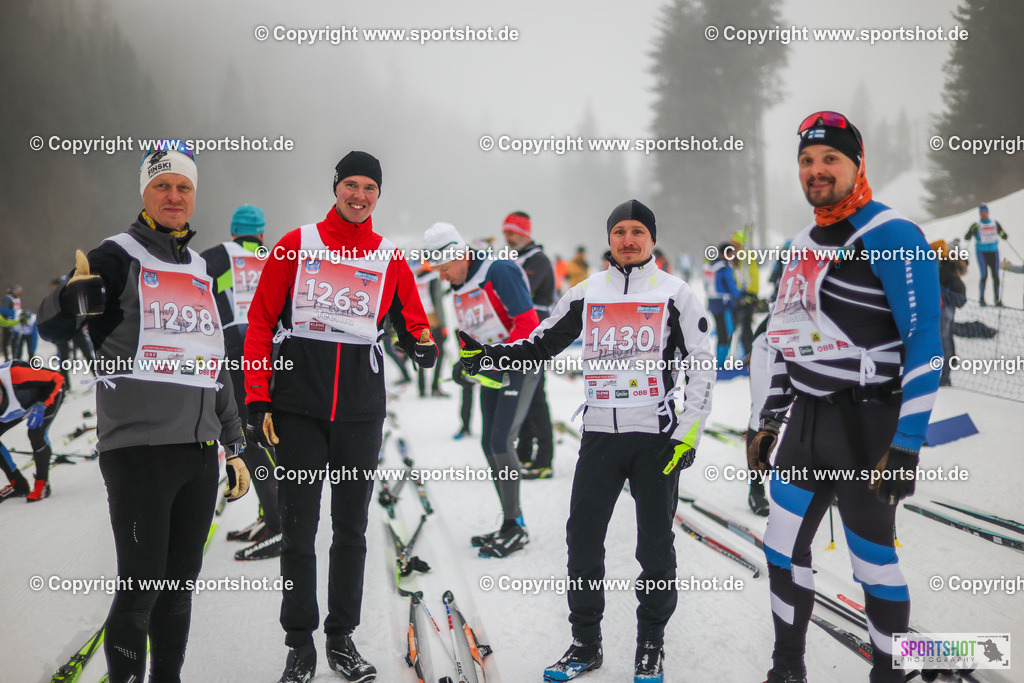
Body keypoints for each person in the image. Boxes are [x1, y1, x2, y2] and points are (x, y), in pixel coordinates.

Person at [460, 199, 715, 683]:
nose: (628, 240)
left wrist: (688, 431)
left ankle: (650, 644)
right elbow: (542, 342)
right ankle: (584, 643)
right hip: (600, 437)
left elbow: (702, 364)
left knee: (654, 547)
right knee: (582, 540)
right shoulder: (587, 292)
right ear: (609, 238)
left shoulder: (676, 294)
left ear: (652, 238)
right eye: (619, 231)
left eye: (637, 231)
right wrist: (490, 357)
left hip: (656, 440)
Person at [37, 140, 250, 683]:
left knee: (178, 591)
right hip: (139, 454)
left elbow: (214, 361)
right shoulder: (116, 255)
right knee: (140, 590)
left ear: (194, 195)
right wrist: (70, 300)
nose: (174, 196)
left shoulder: (200, 267)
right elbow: (51, 323)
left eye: (183, 186)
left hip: (199, 454)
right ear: (145, 192)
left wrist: (233, 443)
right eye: (162, 185)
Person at [749, 112, 941, 683]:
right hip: (807, 426)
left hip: (868, 427)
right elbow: (784, 338)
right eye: (807, 160)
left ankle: (890, 672)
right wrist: (767, 421)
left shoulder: (893, 234)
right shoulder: (799, 244)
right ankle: (788, 667)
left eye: (830, 158)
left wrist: (907, 444)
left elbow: (925, 344)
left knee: (872, 563)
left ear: (857, 164)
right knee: (781, 550)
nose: (817, 170)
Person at [243, 151, 437, 683]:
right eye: (351, 184)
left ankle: (341, 638)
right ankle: (299, 644)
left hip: (359, 413)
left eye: (369, 187)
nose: (359, 195)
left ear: (378, 195)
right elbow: (260, 323)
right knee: (298, 530)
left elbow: (413, 321)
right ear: (335, 188)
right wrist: (257, 397)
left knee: (350, 530)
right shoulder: (297, 244)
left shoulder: (389, 256)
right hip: (297, 410)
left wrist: (422, 345)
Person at [423, 221, 539, 557]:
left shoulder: (498, 270)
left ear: (459, 255)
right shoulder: (460, 282)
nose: (442, 277)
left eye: (444, 268)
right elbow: (473, 328)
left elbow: (529, 324)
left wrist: (495, 357)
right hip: (491, 369)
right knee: (489, 444)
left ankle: (517, 526)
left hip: (519, 365)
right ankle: (510, 521)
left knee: (502, 441)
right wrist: (466, 362)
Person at [201, 204, 283, 561]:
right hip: (276, 355)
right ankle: (271, 517)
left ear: (234, 231)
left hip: (236, 354)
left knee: (246, 438)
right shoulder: (276, 256)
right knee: (270, 434)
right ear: (261, 233)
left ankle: (279, 524)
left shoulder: (215, 257)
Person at [502, 211, 556, 479]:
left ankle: (544, 458)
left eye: (512, 233)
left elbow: (520, 292)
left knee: (535, 398)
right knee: (519, 396)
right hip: (518, 336)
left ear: (525, 233)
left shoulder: (538, 259)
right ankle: (523, 453)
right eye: (506, 233)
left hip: (537, 337)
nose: (508, 238)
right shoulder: (516, 258)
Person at [0, 359, 65, 501]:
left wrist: (42, 404)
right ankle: (18, 484)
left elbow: (57, 378)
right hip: (19, 405)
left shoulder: (16, 374)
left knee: (35, 433)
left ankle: (42, 483)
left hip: (47, 395)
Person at [933, 240, 967, 387]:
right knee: (947, 336)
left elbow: (958, 288)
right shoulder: (943, 265)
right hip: (943, 307)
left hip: (945, 308)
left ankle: (945, 376)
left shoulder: (945, 267)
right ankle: (950, 363)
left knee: (944, 338)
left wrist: (948, 300)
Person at [414, 260, 448, 397]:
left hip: (420, 323)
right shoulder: (434, 278)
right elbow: (438, 302)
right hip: (434, 321)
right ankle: (435, 387)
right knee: (440, 353)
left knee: (422, 353)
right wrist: (443, 325)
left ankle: (422, 388)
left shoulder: (415, 278)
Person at [703, 243, 741, 365]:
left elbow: (706, 285)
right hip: (724, 304)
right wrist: (740, 295)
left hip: (712, 302)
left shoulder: (710, 265)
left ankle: (720, 359)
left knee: (720, 331)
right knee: (728, 332)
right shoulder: (724, 267)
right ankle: (721, 361)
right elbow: (731, 286)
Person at [964, 203, 1007, 306]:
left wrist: (1002, 234)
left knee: (995, 275)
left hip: (994, 252)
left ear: (988, 213)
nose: (984, 214)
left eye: (985, 212)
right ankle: (982, 298)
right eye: (982, 213)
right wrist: (972, 231)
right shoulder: (976, 225)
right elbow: (967, 237)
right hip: (982, 253)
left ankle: (997, 299)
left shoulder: (994, 223)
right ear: (980, 214)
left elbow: (1003, 235)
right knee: (984, 275)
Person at [731, 226, 760, 359]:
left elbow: (753, 276)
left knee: (746, 327)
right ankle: (748, 353)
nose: (733, 246)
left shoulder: (746, 256)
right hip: (740, 295)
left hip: (748, 295)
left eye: (735, 244)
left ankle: (750, 353)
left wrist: (751, 294)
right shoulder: (737, 258)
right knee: (743, 327)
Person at [2, 285, 22, 360]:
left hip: (15, 323)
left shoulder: (17, 299)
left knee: (15, 341)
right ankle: (6, 358)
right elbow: (5, 311)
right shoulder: (8, 298)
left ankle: (15, 357)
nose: (19, 293)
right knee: (6, 340)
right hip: (8, 323)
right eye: (18, 291)